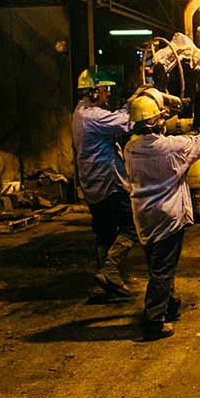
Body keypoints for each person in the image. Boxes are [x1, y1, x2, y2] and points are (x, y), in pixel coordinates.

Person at [124, 92, 200, 340]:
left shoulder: (130, 148)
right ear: (156, 122)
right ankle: (154, 320)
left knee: (157, 264)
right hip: (168, 218)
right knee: (163, 270)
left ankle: (169, 305)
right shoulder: (172, 148)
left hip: (144, 217)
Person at [71, 68, 139, 303]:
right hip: (108, 184)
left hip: (92, 185)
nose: (108, 95)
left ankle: (103, 286)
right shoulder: (94, 117)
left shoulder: (80, 113)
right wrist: (136, 102)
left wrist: (128, 102)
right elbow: (126, 122)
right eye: (104, 90)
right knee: (133, 226)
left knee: (104, 233)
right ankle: (110, 268)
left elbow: (114, 118)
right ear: (92, 92)